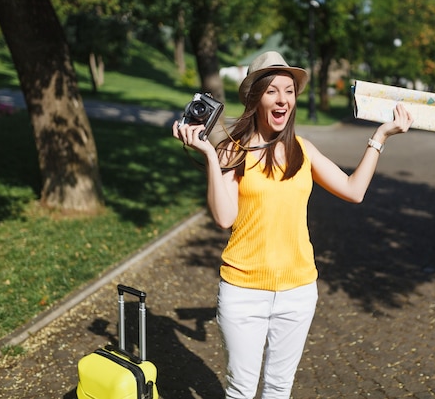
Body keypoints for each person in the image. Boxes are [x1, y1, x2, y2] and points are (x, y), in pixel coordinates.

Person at [172, 51, 413, 399]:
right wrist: (210, 155)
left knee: (279, 388)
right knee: (241, 388)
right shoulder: (232, 150)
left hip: (298, 293)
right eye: (272, 91)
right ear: (255, 98)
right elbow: (225, 217)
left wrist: (381, 136)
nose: (283, 99)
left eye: (289, 90)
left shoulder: (304, 150)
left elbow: (354, 190)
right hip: (244, 292)